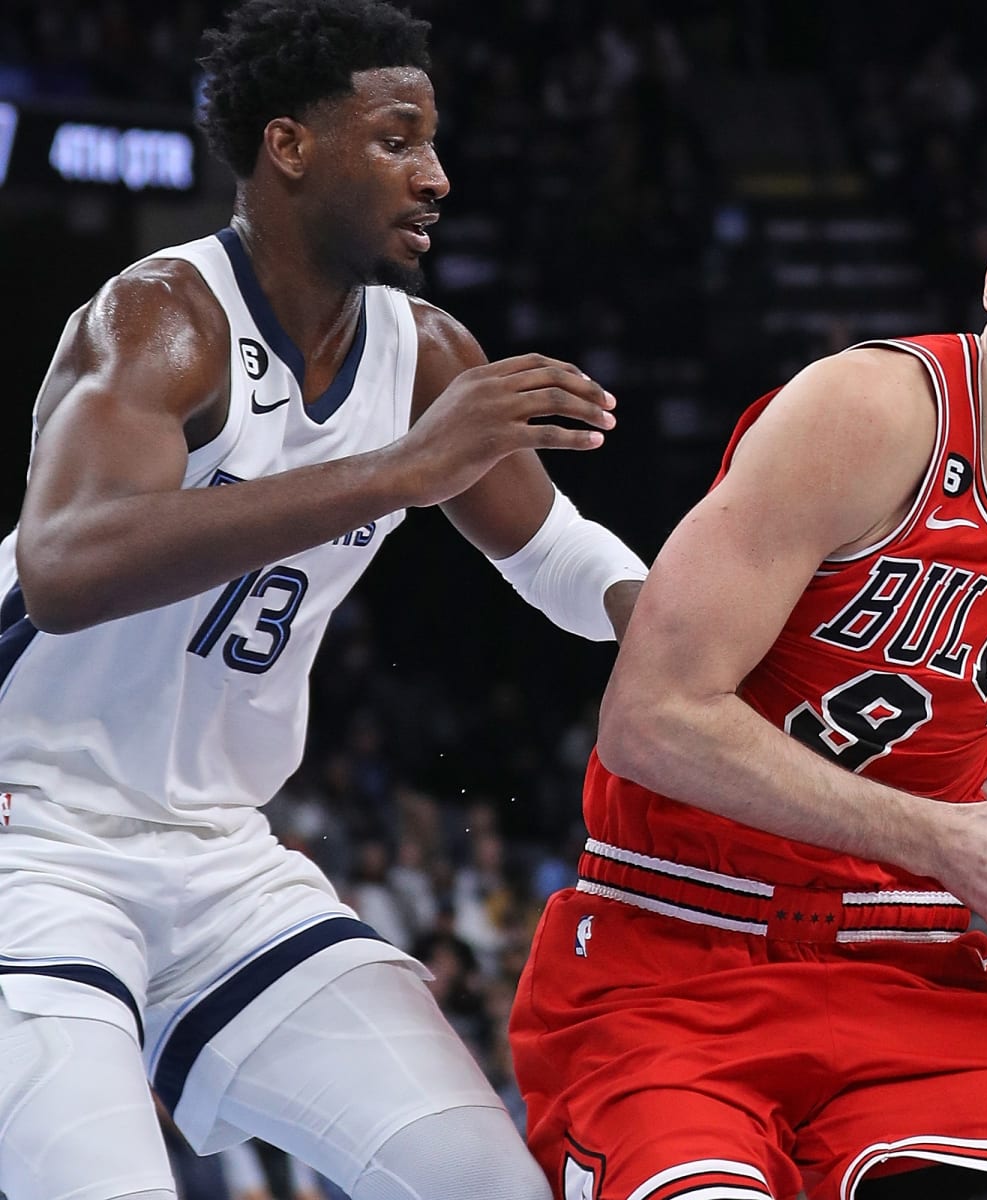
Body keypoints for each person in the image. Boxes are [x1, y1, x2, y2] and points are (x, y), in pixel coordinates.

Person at [0, 2, 648, 1198]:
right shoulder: (161, 319)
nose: (437, 176)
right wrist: (396, 471)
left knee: (486, 1183)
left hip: (219, 859)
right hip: (25, 838)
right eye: (399, 139)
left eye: (435, 141)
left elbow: (555, 553)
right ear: (289, 147)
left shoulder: (427, 354)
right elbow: (67, 565)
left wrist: (686, 628)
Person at [510, 161, 987, 1200]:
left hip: (908, 967)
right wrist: (955, 842)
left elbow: (920, 712)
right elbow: (649, 719)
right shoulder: (867, 410)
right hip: (679, 945)